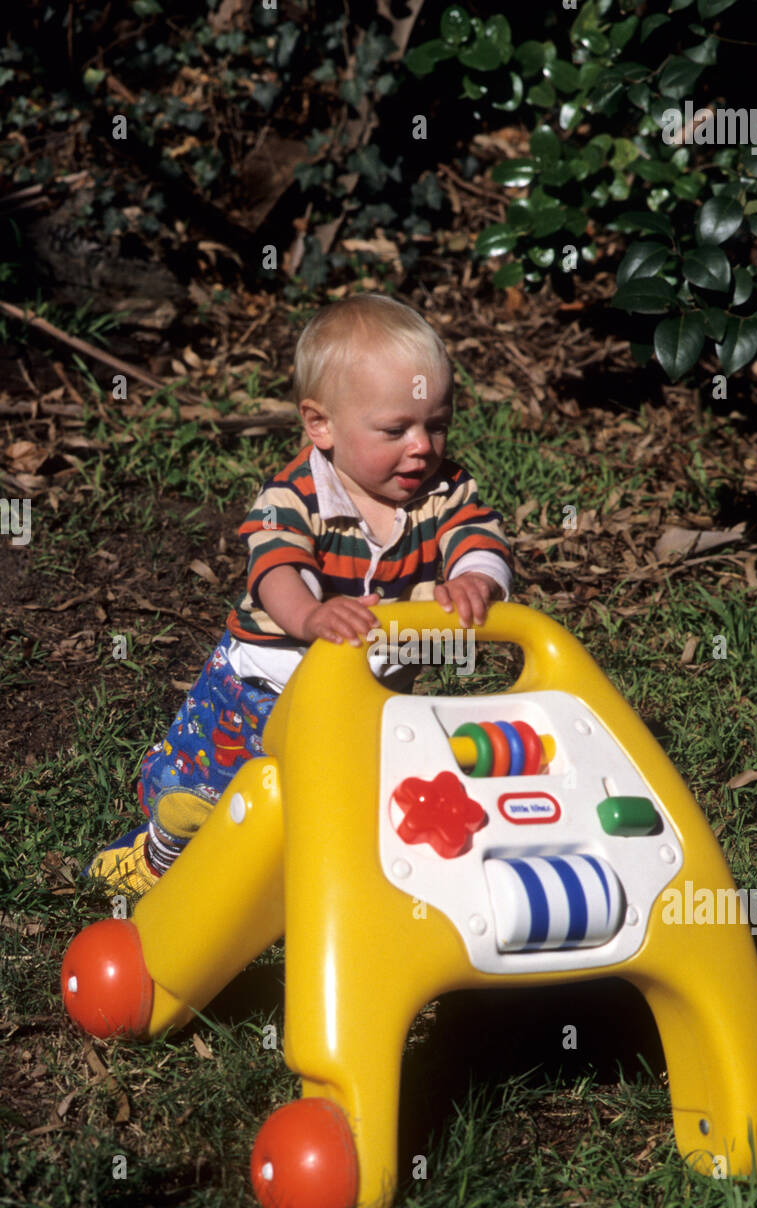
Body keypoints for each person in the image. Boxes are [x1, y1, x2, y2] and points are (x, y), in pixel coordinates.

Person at [89, 293, 513, 895]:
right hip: (268, 684)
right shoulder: (292, 496)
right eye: (396, 429)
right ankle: (156, 860)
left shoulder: (442, 490)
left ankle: (338, 884)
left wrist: (476, 577)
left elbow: (478, 532)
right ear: (321, 425)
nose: (422, 445)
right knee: (213, 795)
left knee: (347, 794)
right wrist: (312, 615)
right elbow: (275, 569)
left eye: (436, 425)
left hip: (369, 685)